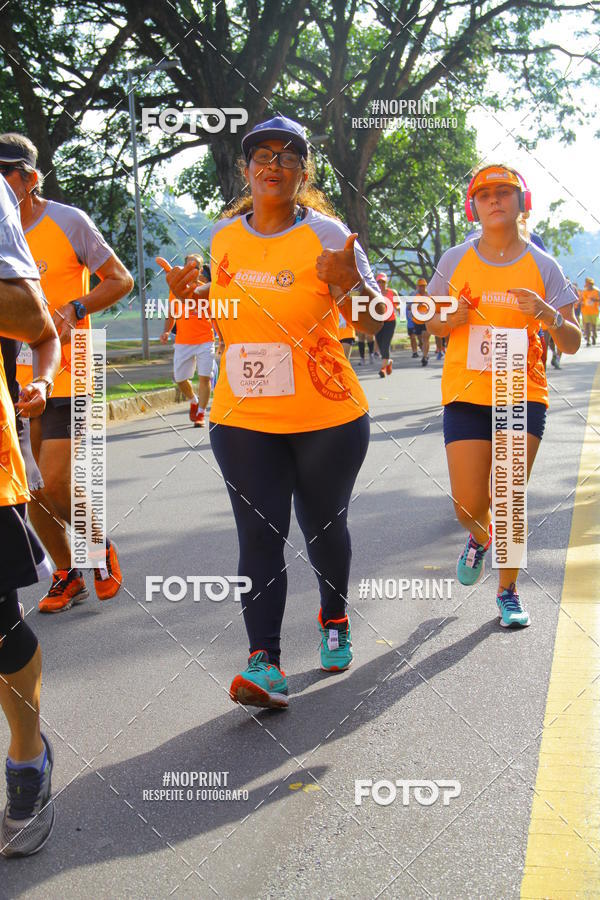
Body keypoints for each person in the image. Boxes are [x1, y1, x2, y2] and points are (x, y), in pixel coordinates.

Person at [165, 116, 384, 709]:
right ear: (245, 169)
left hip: (327, 416)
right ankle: (265, 661)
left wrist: (348, 289)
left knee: (323, 526)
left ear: (304, 172)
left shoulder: (328, 234)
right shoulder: (223, 239)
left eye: (289, 157)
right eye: (262, 154)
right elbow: (228, 318)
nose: (274, 165)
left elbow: (372, 322)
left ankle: (334, 617)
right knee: (258, 535)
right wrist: (192, 301)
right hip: (242, 416)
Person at [426, 164, 580, 627]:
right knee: (467, 505)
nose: (494, 200)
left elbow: (571, 342)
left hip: (521, 392)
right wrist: (446, 322)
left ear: (521, 202)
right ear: (474, 205)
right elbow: (430, 320)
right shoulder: (454, 259)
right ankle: (480, 536)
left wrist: (551, 315)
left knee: (511, 495)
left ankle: (508, 591)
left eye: (504, 193)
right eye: (485, 193)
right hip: (467, 394)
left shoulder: (543, 265)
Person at [0, 134, 133, 613]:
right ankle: (66, 572)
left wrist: (74, 308)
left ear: (29, 178)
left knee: (54, 479)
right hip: (10, 377)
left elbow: (121, 279)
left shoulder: (68, 221)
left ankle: (97, 549)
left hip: (69, 369)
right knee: (28, 486)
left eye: (3, 171)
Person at [0, 174, 60, 858]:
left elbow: (32, 321)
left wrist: (43, 376)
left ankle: (26, 754)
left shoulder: (62, 223)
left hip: (44, 396)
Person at [160, 252, 214, 427]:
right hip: (184, 341)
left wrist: (221, 338)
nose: (192, 270)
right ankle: (193, 400)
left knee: (205, 377)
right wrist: (167, 331)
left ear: (200, 270)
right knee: (180, 378)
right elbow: (172, 312)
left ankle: (200, 413)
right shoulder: (175, 288)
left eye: (196, 267)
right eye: (188, 266)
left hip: (206, 339)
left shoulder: (207, 288)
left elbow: (216, 314)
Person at [374, 272, 399, 377]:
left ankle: (383, 369)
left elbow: (398, 305)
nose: (381, 284)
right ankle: (388, 362)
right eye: (379, 281)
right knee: (380, 346)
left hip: (390, 322)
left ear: (386, 282)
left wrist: (398, 308)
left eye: (383, 281)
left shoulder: (392, 292)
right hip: (378, 323)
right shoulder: (373, 292)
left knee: (385, 344)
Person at [580, 277, 599, 346]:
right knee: (587, 326)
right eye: (588, 284)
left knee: (593, 326)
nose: (589, 285)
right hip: (585, 311)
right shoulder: (584, 291)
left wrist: (595, 300)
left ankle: (594, 336)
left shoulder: (597, 291)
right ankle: (588, 340)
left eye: (590, 284)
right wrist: (581, 303)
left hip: (594, 311)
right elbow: (581, 300)